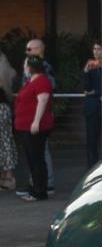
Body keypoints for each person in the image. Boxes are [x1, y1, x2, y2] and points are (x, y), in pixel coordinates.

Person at [14, 56, 54, 201]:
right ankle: (35, 187)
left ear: (31, 66)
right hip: (25, 126)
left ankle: (40, 191)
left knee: (37, 159)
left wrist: (36, 122)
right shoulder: (31, 81)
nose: (24, 67)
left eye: (25, 64)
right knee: (32, 159)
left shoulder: (42, 81)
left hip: (36, 127)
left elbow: (42, 101)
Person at [24, 38, 56, 193]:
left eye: (29, 49)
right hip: (31, 118)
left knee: (41, 152)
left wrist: (36, 120)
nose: (27, 52)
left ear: (38, 49)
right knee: (35, 153)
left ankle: (44, 184)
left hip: (40, 119)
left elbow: (43, 96)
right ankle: (36, 183)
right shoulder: (31, 70)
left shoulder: (44, 69)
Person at [0, 84, 15, 191]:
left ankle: (7, 181)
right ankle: (7, 181)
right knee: (7, 160)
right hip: (7, 137)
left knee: (4, 160)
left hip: (2, 138)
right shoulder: (6, 107)